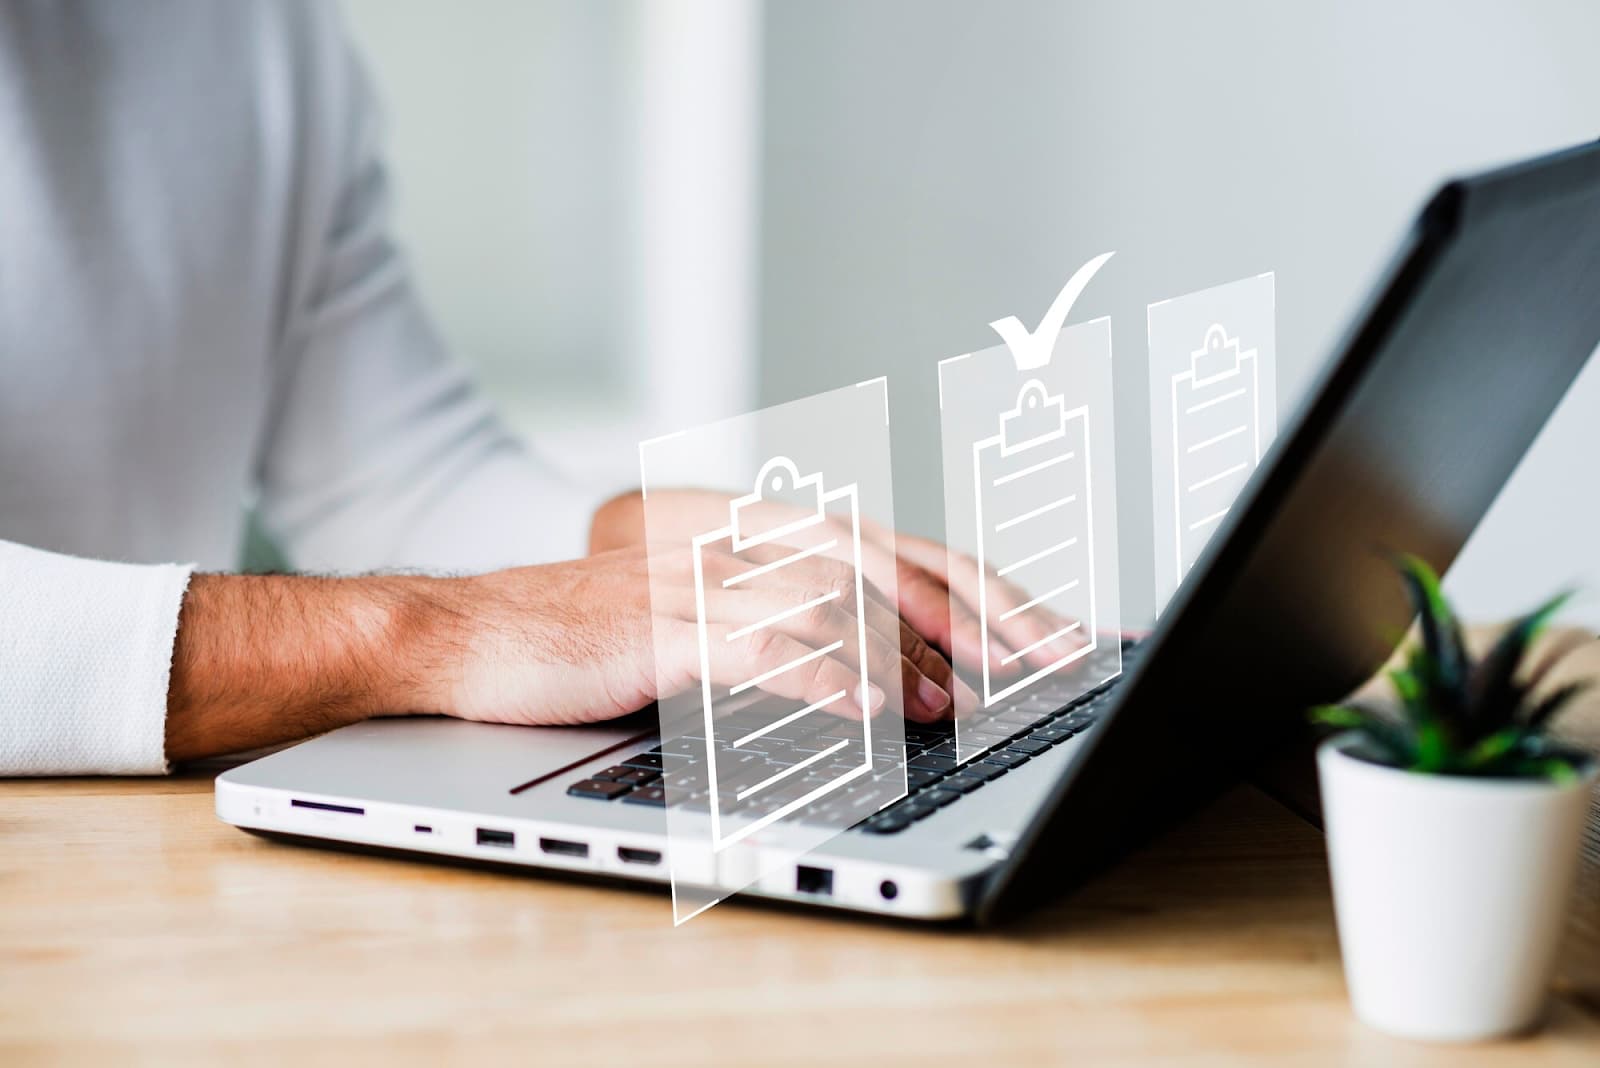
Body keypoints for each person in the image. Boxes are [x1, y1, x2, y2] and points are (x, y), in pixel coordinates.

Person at [0, 2, 1076, 777]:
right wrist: (431, 632)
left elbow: (392, 473)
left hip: (152, 889)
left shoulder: (250, 31)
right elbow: (441, 617)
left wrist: (656, 551)